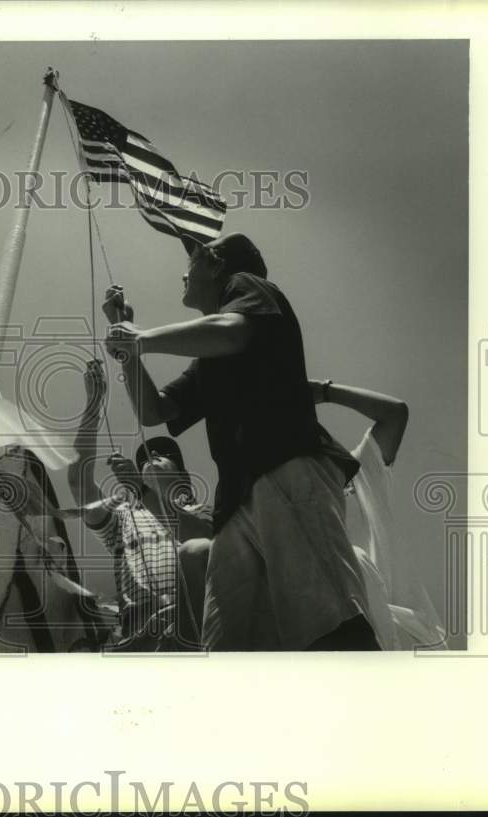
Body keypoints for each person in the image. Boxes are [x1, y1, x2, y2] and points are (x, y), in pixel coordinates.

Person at [103, 233, 377, 650]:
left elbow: (232, 331)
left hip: (286, 468)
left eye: (191, 261)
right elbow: (153, 411)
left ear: (215, 265)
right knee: (229, 642)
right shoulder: (207, 355)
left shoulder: (248, 286)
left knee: (328, 618)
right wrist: (129, 348)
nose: (183, 272)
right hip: (236, 505)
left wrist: (141, 337)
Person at [68, 359, 211, 650]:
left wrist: (140, 488)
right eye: (144, 458)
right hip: (140, 636)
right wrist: (94, 405)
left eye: (162, 453)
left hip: (198, 630)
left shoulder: (205, 511)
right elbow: (79, 483)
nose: (151, 453)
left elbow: (199, 540)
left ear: (183, 476)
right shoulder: (123, 519)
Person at [309, 379, 447, 649]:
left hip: (407, 639)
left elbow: (395, 413)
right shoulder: (283, 508)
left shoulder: (359, 476)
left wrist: (325, 392)